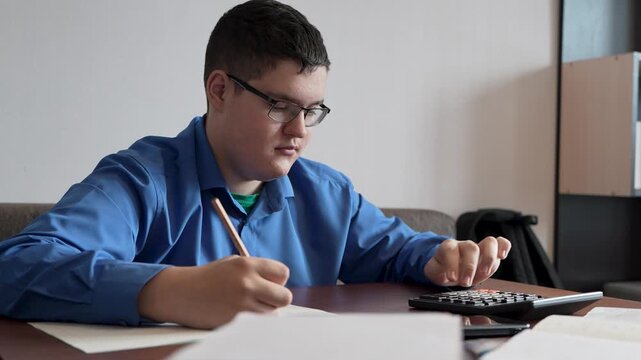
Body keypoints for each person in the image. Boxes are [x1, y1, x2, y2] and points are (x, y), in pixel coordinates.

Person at [0, 0, 511, 330]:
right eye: (280, 107)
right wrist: (165, 290)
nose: (300, 132)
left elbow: (396, 250)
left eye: (312, 111)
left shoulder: (326, 192)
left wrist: (441, 256)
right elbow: (15, 267)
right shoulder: (141, 180)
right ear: (219, 90)